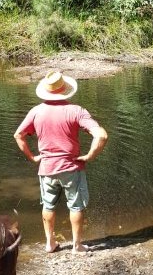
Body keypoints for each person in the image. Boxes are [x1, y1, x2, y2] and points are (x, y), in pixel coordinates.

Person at [14, 71, 109, 253]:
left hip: (46, 169)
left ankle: (50, 243)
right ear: (65, 90)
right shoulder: (76, 111)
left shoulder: (36, 111)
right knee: (76, 206)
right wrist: (90, 156)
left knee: (48, 205)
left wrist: (32, 157)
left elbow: (18, 135)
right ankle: (77, 245)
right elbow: (102, 135)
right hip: (71, 168)